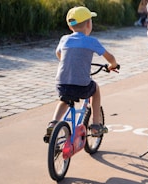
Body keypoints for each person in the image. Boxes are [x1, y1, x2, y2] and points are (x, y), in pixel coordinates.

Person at [43, 6, 119, 143]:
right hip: (81, 86)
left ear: (70, 26)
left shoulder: (64, 39)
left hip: (62, 84)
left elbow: (58, 53)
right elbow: (110, 57)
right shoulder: (91, 41)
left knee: (64, 100)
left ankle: (53, 123)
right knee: (95, 89)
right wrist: (113, 65)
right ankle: (96, 125)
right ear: (89, 24)